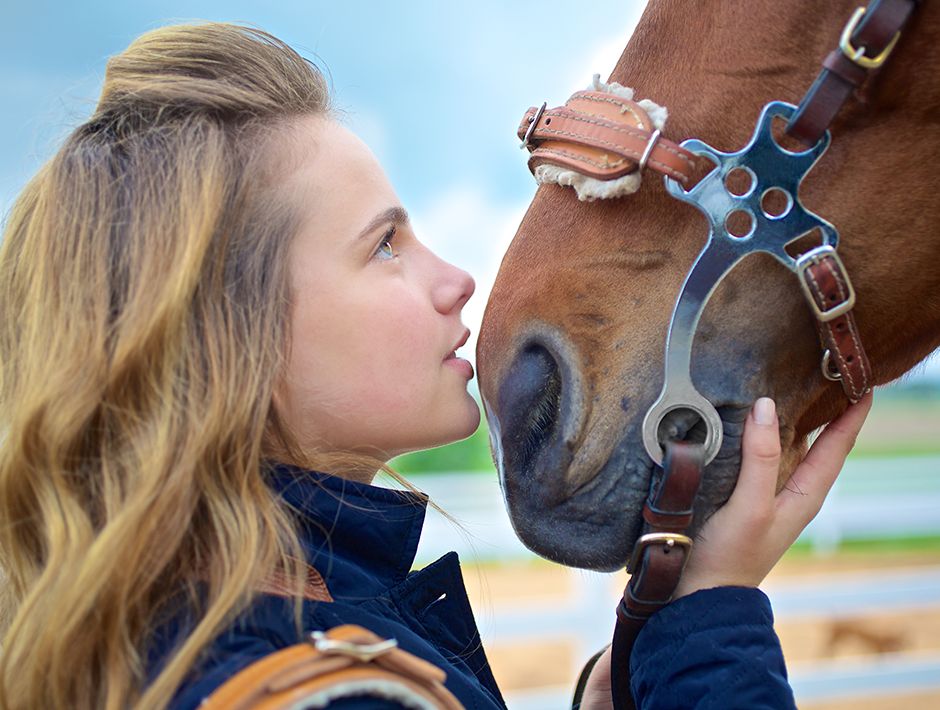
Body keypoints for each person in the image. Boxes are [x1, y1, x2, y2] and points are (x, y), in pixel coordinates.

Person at [0, 22, 872, 710]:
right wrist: (706, 629)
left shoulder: (186, 629)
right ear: (233, 337)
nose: (457, 281)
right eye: (384, 246)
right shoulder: (323, 688)